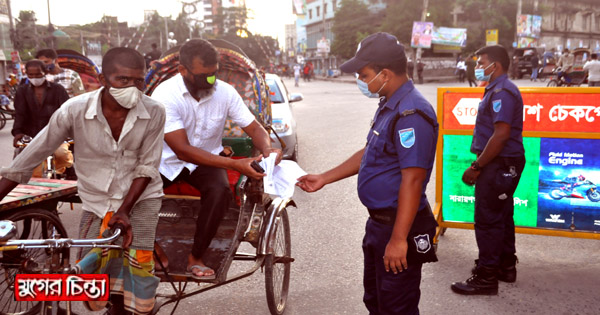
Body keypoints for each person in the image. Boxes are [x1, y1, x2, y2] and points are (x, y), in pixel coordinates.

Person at [0, 47, 165, 314]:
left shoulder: (154, 111)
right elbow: (30, 157)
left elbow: (147, 166)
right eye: (123, 80)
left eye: (138, 81)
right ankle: (113, 302)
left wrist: (124, 210)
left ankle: (137, 307)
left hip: (141, 197)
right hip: (97, 198)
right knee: (91, 267)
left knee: (137, 265)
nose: (132, 87)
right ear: (103, 79)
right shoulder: (74, 110)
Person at [297, 32, 439, 314]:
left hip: (399, 227)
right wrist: (325, 177)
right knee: (375, 301)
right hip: (378, 226)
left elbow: (412, 181)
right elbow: (369, 153)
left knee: (396, 307)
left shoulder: (412, 114)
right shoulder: (389, 105)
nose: (361, 81)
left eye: (364, 75)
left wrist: (398, 240)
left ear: (384, 73)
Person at [151, 39, 282, 279]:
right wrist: (234, 164)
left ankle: (196, 257)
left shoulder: (225, 92)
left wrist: (267, 148)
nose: (211, 82)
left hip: (208, 160)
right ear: (183, 71)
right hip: (167, 161)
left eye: (214, 75)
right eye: (204, 77)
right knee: (131, 195)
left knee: (220, 192)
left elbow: (254, 128)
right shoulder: (165, 94)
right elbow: (182, 150)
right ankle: (152, 248)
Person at [451, 45, 525, 296]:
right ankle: (505, 266)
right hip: (504, 162)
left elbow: (501, 134)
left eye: (482, 63)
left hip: (499, 163)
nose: (478, 67)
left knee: (488, 219)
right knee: (501, 215)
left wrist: (477, 166)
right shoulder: (497, 90)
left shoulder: (502, 92)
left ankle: (486, 277)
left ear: (496, 65)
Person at [12, 59, 72, 177]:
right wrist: (18, 133)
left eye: (38, 74)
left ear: (45, 72)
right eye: (31, 75)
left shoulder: (58, 89)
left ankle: (71, 176)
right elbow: (19, 114)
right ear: (27, 74)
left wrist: (69, 130)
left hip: (57, 134)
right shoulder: (22, 91)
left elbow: (67, 112)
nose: (34, 77)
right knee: (27, 166)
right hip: (32, 135)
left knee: (62, 155)